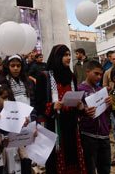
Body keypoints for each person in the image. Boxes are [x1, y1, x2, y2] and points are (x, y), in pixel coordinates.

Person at [36, 44, 87, 174]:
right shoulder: (44, 76)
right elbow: (39, 103)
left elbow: (75, 99)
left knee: (73, 157)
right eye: (65, 55)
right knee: (55, 162)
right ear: (57, 57)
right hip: (54, 126)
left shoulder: (71, 77)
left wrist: (80, 106)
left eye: (69, 55)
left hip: (71, 125)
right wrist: (52, 106)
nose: (69, 58)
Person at [78, 61, 112, 174]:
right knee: (90, 169)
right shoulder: (79, 89)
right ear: (88, 72)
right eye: (96, 73)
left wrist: (108, 104)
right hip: (88, 135)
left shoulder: (101, 90)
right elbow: (77, 112)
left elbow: (107, 113)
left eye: (100, 74)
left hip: (104, 135)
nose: (99, 77)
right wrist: (84, 110)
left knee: (105, 169)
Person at [0, 54, 36, 120]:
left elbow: (32, 102)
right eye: (12, 66)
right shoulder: (3, 81)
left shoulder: (27, 81)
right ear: (8, 67)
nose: (15, 68)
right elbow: (2, 104)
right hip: (11, 120)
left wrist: (33, 119)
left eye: (18, 66)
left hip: (28, 119)